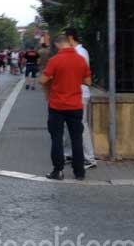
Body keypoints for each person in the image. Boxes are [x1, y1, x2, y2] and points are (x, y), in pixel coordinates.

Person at [39, 34, 91, 181]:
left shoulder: (55, 60)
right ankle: (79, 172)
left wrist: (52, 84)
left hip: (57, 105)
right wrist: (74, 79)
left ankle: (58, 171)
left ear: (57, 44)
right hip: (75, 104)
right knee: (76, 138)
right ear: (69, 42)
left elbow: (43, 80)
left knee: (57, 138)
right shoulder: (81, 60)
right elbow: (88, 81)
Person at [63, 28, 97, 169]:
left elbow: (82, 75)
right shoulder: (77, 52)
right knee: (69, 125)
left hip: (80, 94)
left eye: (65, 39)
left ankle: (89, 158)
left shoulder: (80, 52)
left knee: (81, 126)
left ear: (70, 38)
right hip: (72, 93)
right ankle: (70, 153)